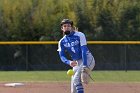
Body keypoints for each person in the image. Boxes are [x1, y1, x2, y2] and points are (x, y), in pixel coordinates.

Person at [57, 19, 95, 93]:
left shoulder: (80, 35)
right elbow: (62, 56)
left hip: (87, 59)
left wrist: (84, 65)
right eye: (64, 26)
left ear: (71, 27)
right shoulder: (61, 41)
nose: (67, 27)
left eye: (69, 26)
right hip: (77, 63)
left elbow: (84, 50)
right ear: (62, 28)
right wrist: (69, 62)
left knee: (76, 79)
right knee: (73, 90)